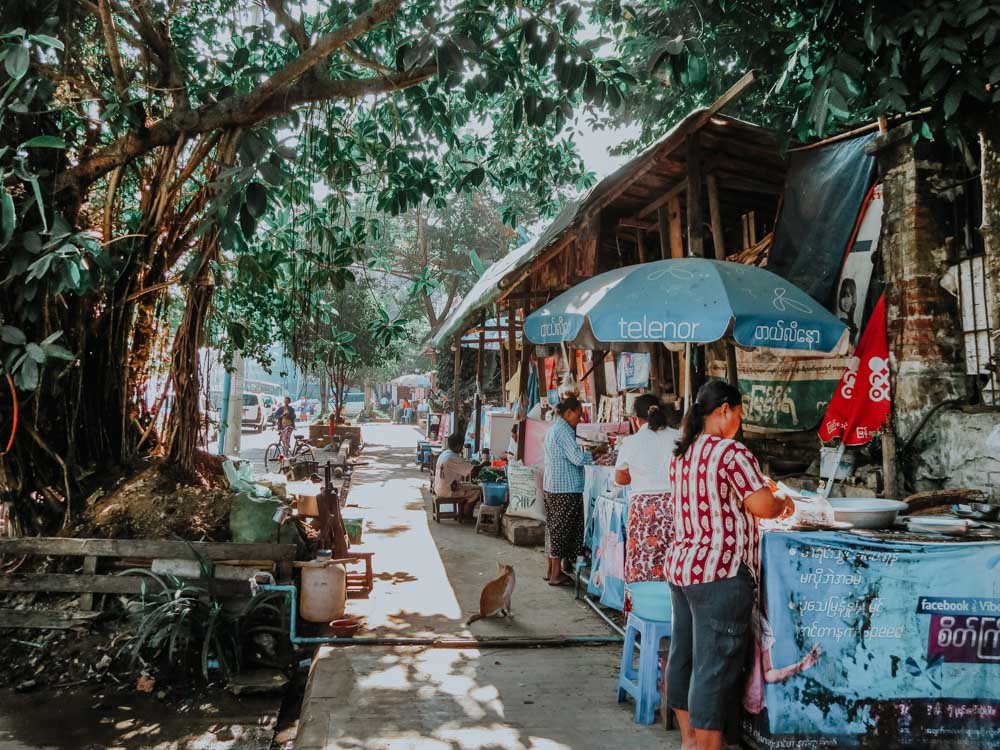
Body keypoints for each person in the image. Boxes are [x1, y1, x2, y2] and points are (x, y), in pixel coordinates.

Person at [665, 381, 793, 750]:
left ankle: (691, 739)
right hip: (720, 575)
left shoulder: (682, 453)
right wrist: (783, 499)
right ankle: (705, 746)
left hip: (684, 569)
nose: (739, 421)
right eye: (738, 414)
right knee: (713, 670)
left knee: (685, 657)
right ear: (724, 410)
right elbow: (765, 507)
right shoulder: (730, 452)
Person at [614, 393, 680, 614]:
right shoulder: (679, 437)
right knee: (674, 560)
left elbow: (620, 478)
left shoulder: (631, 442)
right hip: (676, 507)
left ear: (636, 419)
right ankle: (676, 612)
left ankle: (644, 610)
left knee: (644, 561)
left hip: (644, 512)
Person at [542, 396, 606, 586]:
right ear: (568, 413)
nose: (579, 419)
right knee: (561, 531)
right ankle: (555, 575)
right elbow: (578, 458)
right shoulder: (563, 431)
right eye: (578, 415)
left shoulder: (555, 429)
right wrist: (595, 452)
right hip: (565, 489)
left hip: (554, 487)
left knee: (554, 530)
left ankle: (552, 571)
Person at [434, 432, 481, 520]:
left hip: (439, 487)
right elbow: (472, 471)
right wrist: (483, 464)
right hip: (448, 490)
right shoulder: (453, 457)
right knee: (477, 491)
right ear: (458, 445)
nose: (462, 447)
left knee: (469, 486)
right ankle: (466, 515)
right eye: (461, 445)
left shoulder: (445, 454)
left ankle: (461, 511)